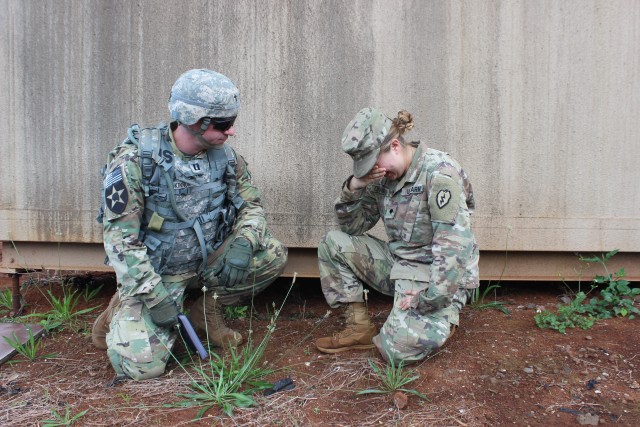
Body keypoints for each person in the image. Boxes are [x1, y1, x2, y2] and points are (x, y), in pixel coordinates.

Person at [92, 69, 287, 380]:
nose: (231, 132)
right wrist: (154, 297)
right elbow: (120, 242)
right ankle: (124, 308)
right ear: (197, 121)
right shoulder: (136, 162)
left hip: (205, 262)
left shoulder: (225, 158)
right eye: (225, 124)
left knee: (271, 253)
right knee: (140, 367)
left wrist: (244, 241)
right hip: (157, 274)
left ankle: (205, 314)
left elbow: (252, 205)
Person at [315, 107, 479, 365]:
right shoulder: (381, 178)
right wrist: (354, 187)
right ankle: (359, 329)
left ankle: (442, 320)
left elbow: (453, 249)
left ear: (394, 145)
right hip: (400, 265)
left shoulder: (439, 173)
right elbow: (352, 227)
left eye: (373, 162)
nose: (372, 170)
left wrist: (429, 301)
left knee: (394, 352)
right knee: (333, 243)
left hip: (436, 274)